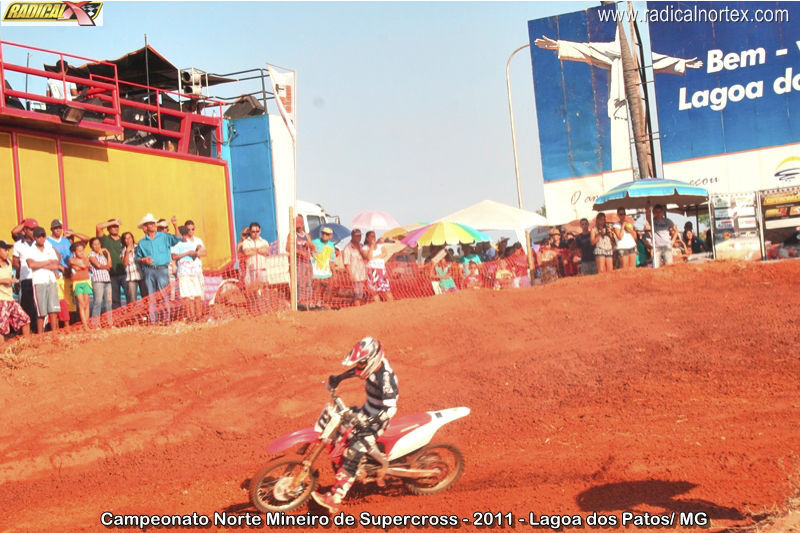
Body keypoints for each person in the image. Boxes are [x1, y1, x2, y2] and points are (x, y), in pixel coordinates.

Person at [312, 337, 399, 514]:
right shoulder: (370, 368)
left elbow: (391, 408)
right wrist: (339, 378)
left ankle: (335, 498)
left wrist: (371, 422)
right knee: (341, 430)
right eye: (359, 363)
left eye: (362, 363)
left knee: (353, 451)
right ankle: (348, 471)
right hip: (367, 411)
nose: (359, 366)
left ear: (372, 359)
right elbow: (356, 372)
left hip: (378, 420)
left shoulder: (385, 378)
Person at [135, 213, 181, 325]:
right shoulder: (142, 242)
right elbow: (138, 258)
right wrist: (143, 260)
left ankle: (166, 319)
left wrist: (175, 225)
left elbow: (178, 238)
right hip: (149, 270)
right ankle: (153, 321)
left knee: (164, 295)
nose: (153, 225)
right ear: (145, 227)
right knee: (151, 297)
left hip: (162, 270)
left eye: (153, 223)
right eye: (150, 224)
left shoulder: (164, 236)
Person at [26, 227, 61, 333]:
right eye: (39, 236)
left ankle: (54, 333)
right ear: (35, 238)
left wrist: (40, 264)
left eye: (43, 236)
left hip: (51, 280)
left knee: (53, 310)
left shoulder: (49, 248)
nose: (41, 238)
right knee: (41, 311)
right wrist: (47, 262)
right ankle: (40, 335)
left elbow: (55, 265)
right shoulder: (30, 249)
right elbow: (31, 264)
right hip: (39, 281)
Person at [11, 218, 40, 332]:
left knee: (38, 305)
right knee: (26, 305)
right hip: (25, 279)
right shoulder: (19, 244)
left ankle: (37, 329)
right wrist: (19, 275)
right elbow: (16, 262)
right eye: (32, 229)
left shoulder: (39, 242)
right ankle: (26, 331)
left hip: (38, 278)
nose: (34, 232)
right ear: (26, 230)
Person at [171, 226, 204, 321]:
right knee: (186, 296)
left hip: (193, 272)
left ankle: (199, 315)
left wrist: (195, 252)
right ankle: (190, 316)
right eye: (183, 235)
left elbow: (194, 256)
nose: (184, 237)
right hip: (183, 273)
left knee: (197, 294)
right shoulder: (176, 245)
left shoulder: (190, 244)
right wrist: (187, 253)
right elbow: (174, 257)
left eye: (185, 235)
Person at [0, 240, 31, 338]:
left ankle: (26, 345)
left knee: (25, 319)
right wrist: (4, 280)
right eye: (5, 250)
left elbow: (10, 277)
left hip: (10, 299)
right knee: (2, 329)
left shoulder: (8, 262)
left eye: (8, 250)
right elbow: (5, 279)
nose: (7, 252)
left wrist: (13, 280)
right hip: (1, 301)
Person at [95, 218, 126, 310]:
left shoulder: (123, 240)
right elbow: (98, 227)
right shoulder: (105, 240)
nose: (115, 228)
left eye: (117, 226)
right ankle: (118, 319)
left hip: (124, 273)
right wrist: (113, 222)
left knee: (129, 296)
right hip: (111, 274)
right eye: (113, 227)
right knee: (114, 299)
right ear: (108, 228)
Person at [285, 216, 314, 309]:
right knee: (300, 283)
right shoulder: (292, 235)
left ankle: (308, 302)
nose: (299, 225)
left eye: (300, 223)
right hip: (298, 263)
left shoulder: (306, 235)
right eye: (297, 223)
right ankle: (300, 303)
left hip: (307, 262)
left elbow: (313, 247)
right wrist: (299, 252)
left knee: (308, 282)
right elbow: (288, 248)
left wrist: (309, 244)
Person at [87, 236, 113, 327]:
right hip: (98, 281)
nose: (97, 246)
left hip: (107, 280)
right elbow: (98, 265)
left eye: (98, 244)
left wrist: (108, 253)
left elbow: (109, 265)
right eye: (95, 244)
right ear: (91, 246)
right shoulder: (91, 255)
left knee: (108, 303)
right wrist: (106, 267)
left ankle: (109, 323)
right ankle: (95, 324)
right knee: (97, 302)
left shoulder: (102, 255)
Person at [363, 231, 393, 302]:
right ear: (367, 238)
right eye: (371, 236)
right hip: (371, 270)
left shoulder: (380, 246)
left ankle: (391, 305)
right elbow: (369, 257)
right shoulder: (365, 247)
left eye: (374, 236)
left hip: (381, 270)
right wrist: (372, 246)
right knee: (374, 291)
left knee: (386, 289)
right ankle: (378, 306)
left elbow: (384, 254)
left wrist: (375, 256)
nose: (373, 238)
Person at [68, 240, 92, 329]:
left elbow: (84, 265)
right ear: (74, 252)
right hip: (77, 283)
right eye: (79, 251)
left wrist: (79, 265)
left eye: (82, 250)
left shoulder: (86, 259)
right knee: (81, 303)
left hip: (86, 281)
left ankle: (87, 323)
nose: (81, 252)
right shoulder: (71, 259)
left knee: (86, 303)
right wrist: (79, 265)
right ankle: (84, 324)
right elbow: (74, 264)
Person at [311, 226, 337, 309]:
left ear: (330, 236)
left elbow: (332, 260)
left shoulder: (331, 245)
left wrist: (334, 272)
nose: (324, 235)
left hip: (327, 272)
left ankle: (325, 304)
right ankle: (316, 305)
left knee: (327, 290)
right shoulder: (315, 242)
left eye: (327, 234)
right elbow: (309, 251)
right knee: (316, 289)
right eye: (323, 233)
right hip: (316, 272)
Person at [342, 229, 368, 306]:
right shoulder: (348, 248)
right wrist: (350, 274)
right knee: (356, 294)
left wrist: (361, 251)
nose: (358, 237)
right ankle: (357, 309)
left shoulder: (362, 246)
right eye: (357, 236)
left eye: (360, 236)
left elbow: (366, 258)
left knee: (361, 293)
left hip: (362, 273)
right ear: (352, 236)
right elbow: (346, 263)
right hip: (354, 274)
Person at [121, 231, 145, 305]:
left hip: (142, 275)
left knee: (145, 297)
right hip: (131, 277)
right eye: (126, 238)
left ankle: (146, 315)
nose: (128, 240)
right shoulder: (123, 250)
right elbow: (125, 263)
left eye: (129, 238)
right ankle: (133, 316)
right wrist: (127, 252)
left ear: (132, 238)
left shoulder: (138, 247)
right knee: (132, 299)